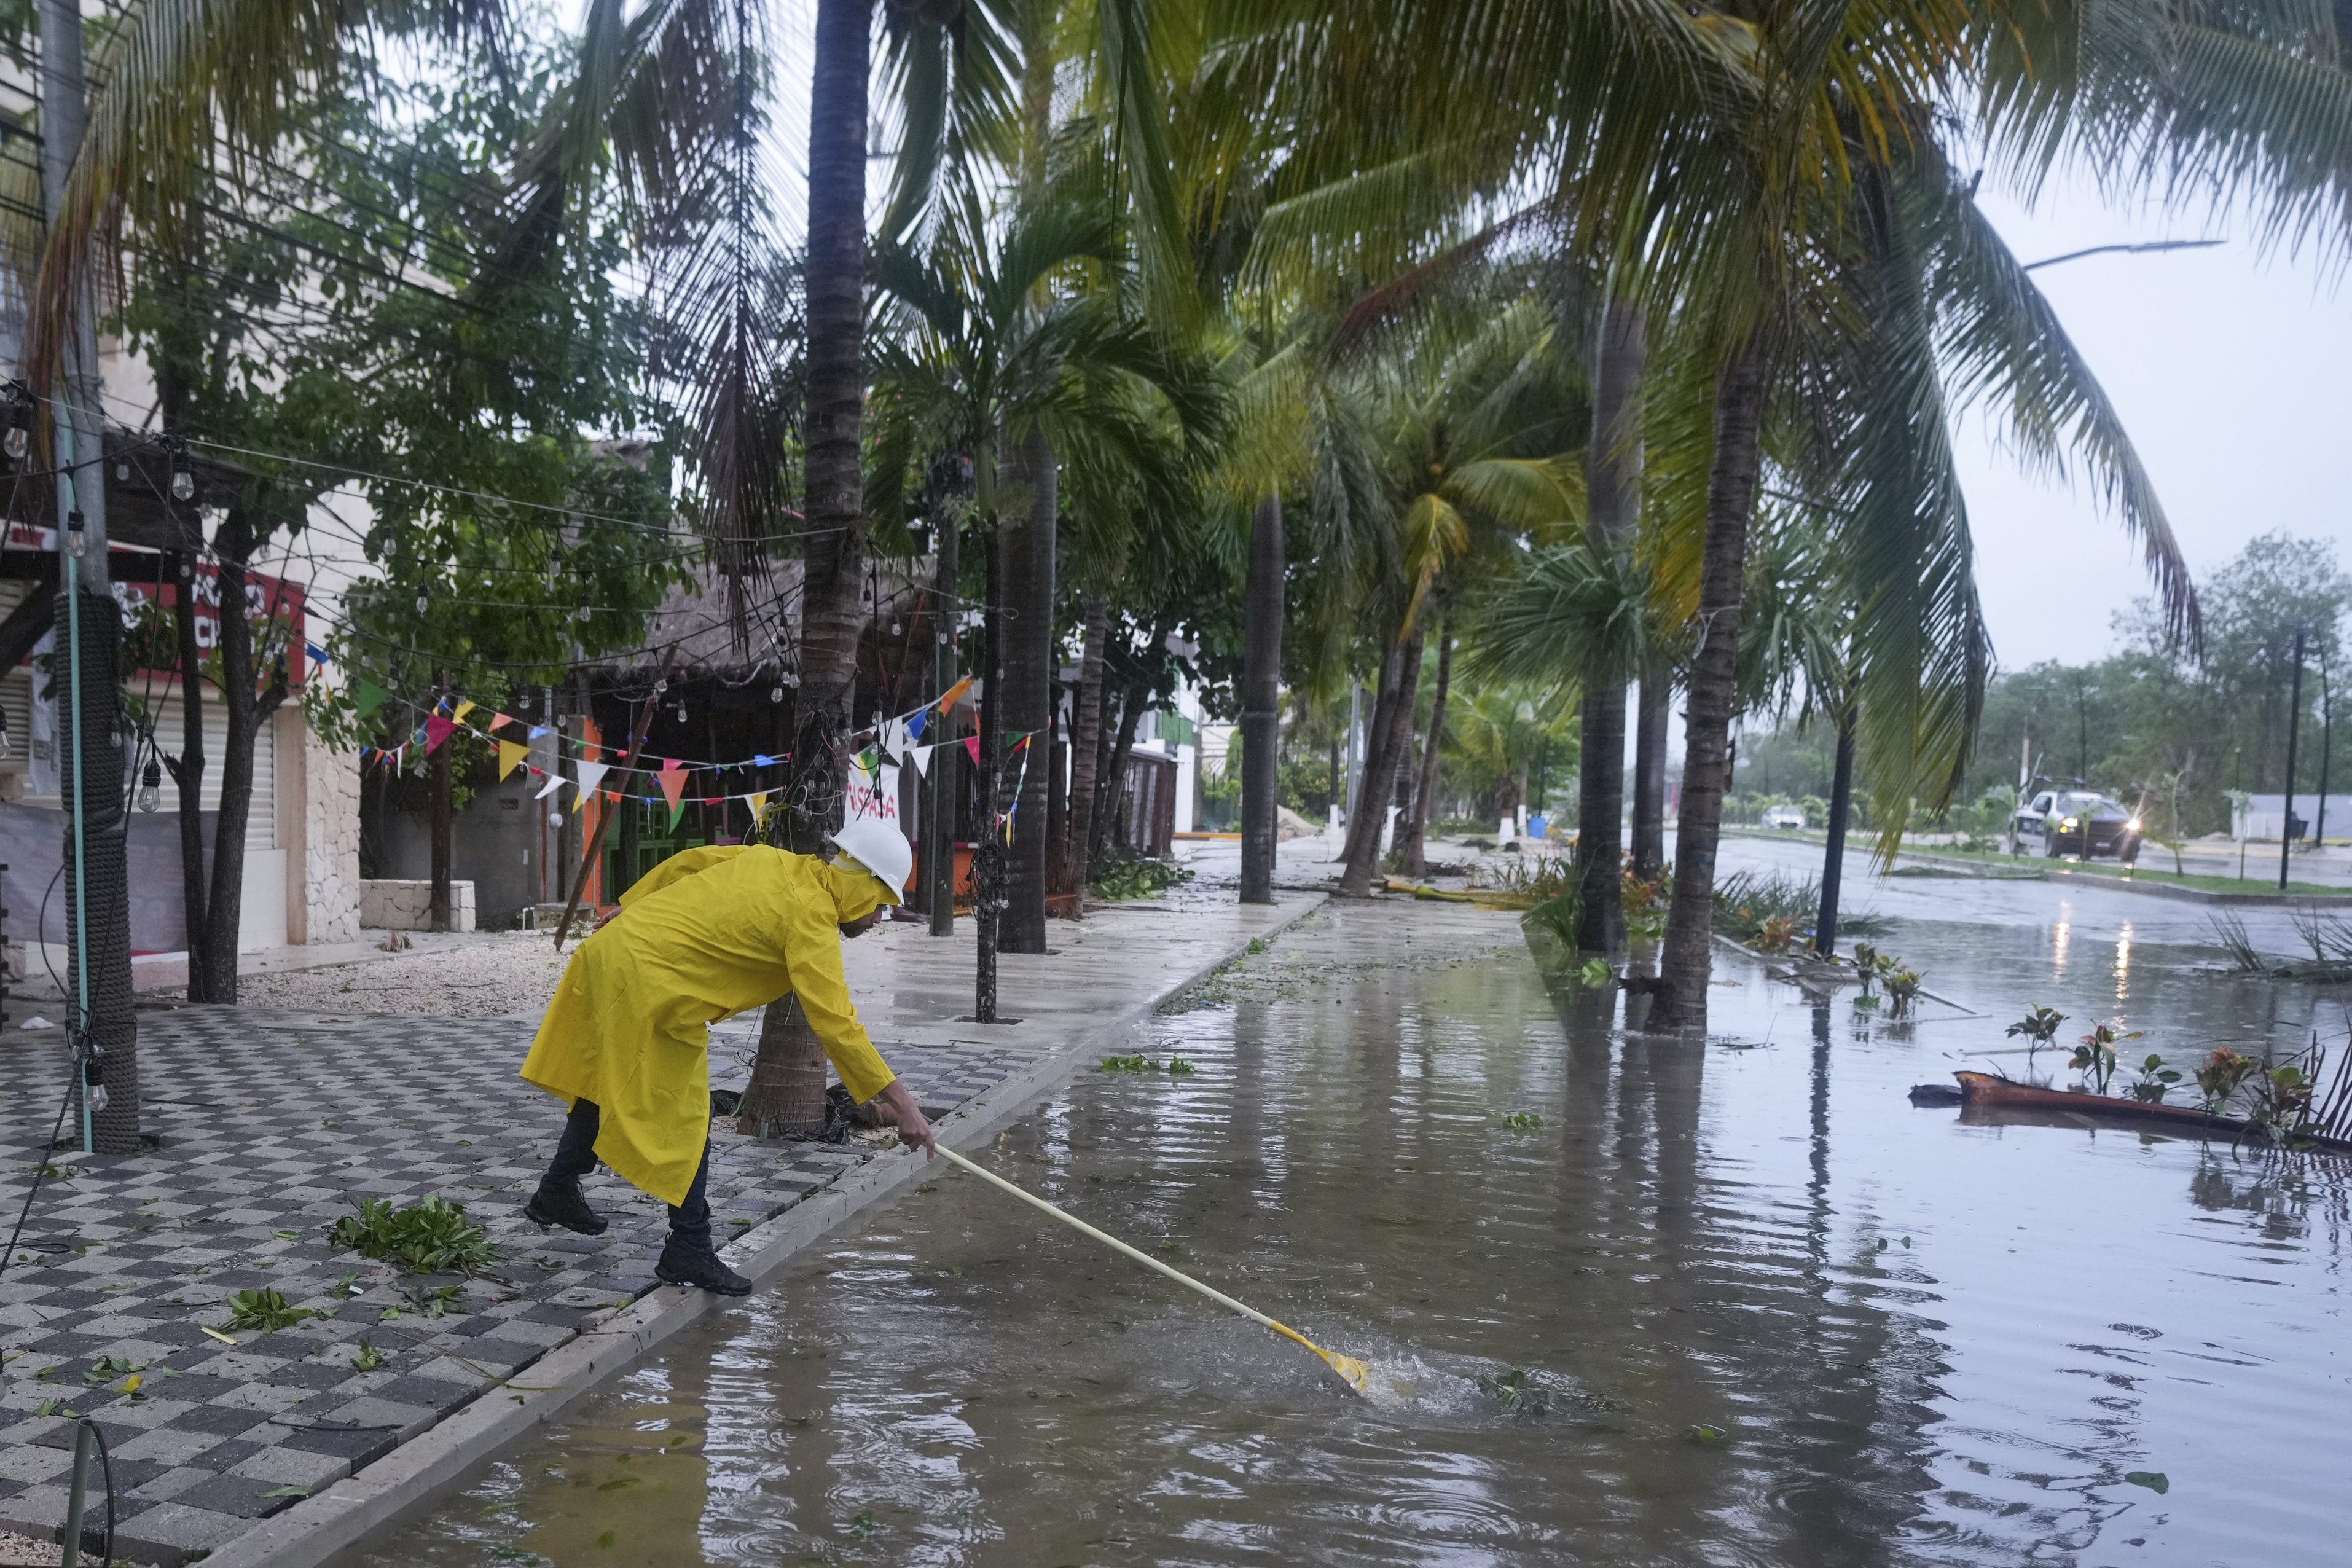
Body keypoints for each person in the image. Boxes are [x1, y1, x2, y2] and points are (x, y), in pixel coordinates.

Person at [519, 820, 934, 1295]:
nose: (878, 918)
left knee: (606, 1084)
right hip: (649, 986)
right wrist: (905, 1106)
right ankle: (689, 1248)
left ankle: (555, 1191)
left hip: (613, 955)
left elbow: (687, 863)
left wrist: (628, 907)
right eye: (880, 905)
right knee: (689, 1118)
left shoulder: (774, 859)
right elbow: (839, 1026)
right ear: (864, 885)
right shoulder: (812, 919)